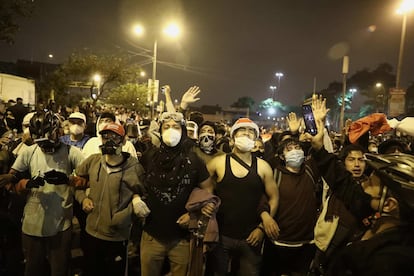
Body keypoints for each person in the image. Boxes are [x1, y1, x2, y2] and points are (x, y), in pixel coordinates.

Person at [308, 95, 414, 275]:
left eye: (374, 180)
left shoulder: (390, 261)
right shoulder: (373, 212)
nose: (367, 179)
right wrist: (319, 147)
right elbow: (343, 184)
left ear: (389, 204)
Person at [0, 110, 85, 276]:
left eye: (48, 139)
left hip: (61, 225)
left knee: (59, 270)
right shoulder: (29, 152)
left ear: (58, 132)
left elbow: (87, 181)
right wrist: (25, 183)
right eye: (40, 141)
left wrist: (68, 180)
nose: (45, 146)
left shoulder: (72, 153)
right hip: (32, 223)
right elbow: (13, 180)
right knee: (32, 269)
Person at [139, 111, 214, 276]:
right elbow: (135, 183)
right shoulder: (149, 156)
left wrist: (193, 214)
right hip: (152, 234)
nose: (171, 131)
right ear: (160, 131)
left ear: (183, 132)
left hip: (182, 238)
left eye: (175, 127)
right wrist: (136, 200)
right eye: (166, 127)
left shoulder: (194, 160)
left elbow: (208, 191)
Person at [207, 117, 280, 276]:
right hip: (221, 236)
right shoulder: (217, 163)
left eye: (251, 132)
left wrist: (261, 228)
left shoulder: (263, 167)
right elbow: (203, 192)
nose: (247, 134)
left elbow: (274, 197)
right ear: (233, 138)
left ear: (255, 140)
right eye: (242, 131)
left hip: (252, 236)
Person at [74, 122, 147, 276]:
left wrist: (123, 217)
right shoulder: (92, 161)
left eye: (115, 137)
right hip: (91, 232)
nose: (110, 141)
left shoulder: (134, 167)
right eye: (105, 136)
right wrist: (83, 199)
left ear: (123, 140)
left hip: (117, 237)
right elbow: (76, 184)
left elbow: (142, 196)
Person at [262, 136, 321, 276]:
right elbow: (263, 200)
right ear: (282, 156)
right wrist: (265, 217)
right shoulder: (275, 173)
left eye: (298, 148)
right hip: (280, 242)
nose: (295, 151)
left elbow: (322, 152)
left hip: (307, 242)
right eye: (289, 149)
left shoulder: (310, 170)